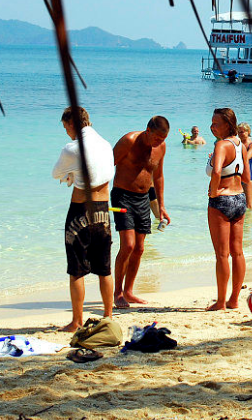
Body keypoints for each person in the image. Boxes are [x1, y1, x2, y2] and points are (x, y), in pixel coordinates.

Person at [52, 106, 116, 331]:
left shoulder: (72, 148)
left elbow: (56, 174)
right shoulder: (106, 144)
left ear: (72, 124)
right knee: (104, 268)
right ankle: (108, 316)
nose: (66, 132)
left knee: (76, 269)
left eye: (65, 127)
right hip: (103, 210)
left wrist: (71, 174)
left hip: (80, 210)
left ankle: (77, 321)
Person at [111, 116, 171, 308]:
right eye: (157, 138)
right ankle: (117, 292)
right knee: (127, 246)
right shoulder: (129, 141)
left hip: (143, 199)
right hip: (122, 196)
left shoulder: (161, 148)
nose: (159, 142)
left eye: (163, 139)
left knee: (139, 248)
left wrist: (161, 206)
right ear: (148, 131)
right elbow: (106, 166)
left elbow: (159, 176)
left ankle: (129, 291)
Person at [206, 107, 251, 310]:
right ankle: (234, 300)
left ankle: (221, 302)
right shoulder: (240, 144)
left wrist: (214, 192)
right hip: (239, 199)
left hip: (222, 202)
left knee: (222, 255)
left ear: (227, 125)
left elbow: (216, 173)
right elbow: (247, 178)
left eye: (216, 123)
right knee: (238, 252)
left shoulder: (221, 145)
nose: (212, 127)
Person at [237, 123, 252, 209]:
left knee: (248, 206)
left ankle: (249, 222)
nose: (240, 134)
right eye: (239, 132)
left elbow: (246, 157)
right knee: (237, 206)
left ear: (248, 132)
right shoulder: (236, 144)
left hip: (247, 178)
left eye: (242, 132)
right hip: (236, 177)